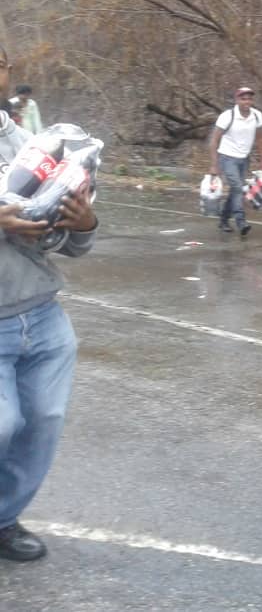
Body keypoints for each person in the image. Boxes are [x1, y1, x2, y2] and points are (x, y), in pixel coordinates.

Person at [0, 44, 99, 561]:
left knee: (41, 423)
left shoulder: (36, 144)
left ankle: (3, 521)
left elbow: (76, 243)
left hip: (41, 313)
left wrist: (84, 224)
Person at [208, 86, 262, 236]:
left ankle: (224, 220)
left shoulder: (257, 116)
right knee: (238, 188)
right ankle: (241, 222)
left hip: (244, 159)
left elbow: (259, 139)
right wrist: (214, 165)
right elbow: (214, 141)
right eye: (243, 98)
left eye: (249, 98)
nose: (247, 101)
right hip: (227, 158)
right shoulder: (227, 116)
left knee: (235, 191)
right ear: (237, 100)